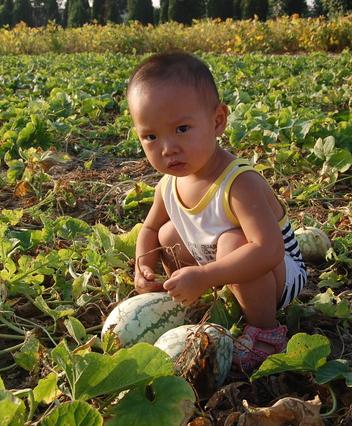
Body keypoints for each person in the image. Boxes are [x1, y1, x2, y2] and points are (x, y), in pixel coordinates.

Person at [128, 52, 307, 373]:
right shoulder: (168, 186)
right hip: (218, 262)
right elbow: (150, 231)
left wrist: (207, 275)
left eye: (182, 128)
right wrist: (143, 267)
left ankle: (265, 332)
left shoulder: (239, 183)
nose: (167, 148)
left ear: (217, 121)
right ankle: (206, 295)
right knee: (168, 234)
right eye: (151, 136)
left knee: (234, 243)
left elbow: (268, 250)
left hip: (279, 274)